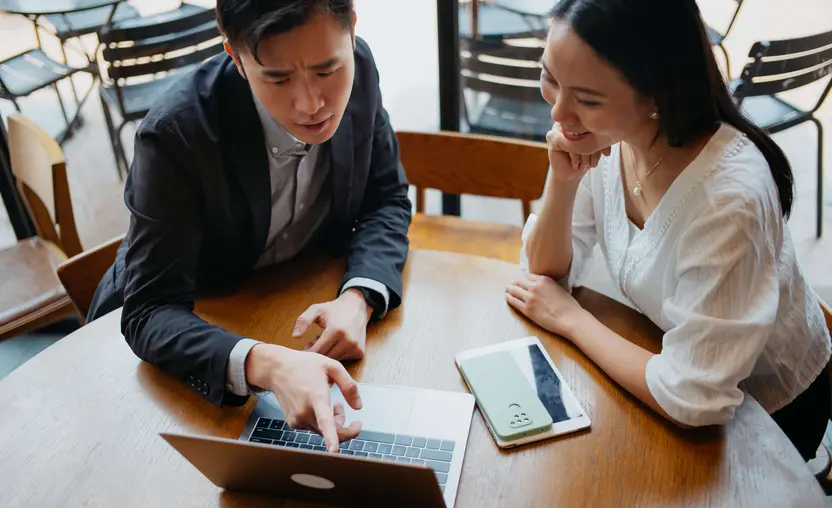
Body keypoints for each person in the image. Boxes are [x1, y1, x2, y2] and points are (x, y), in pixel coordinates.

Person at [505, 0, 831, 460]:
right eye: (551, 79)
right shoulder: (608, 136)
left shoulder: (726, 198)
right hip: (672, 359)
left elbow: (691, 398)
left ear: (656, 96)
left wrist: (572, 320)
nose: (559, 113)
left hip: (768, 409)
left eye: (587, 100)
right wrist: (562, 181)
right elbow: (542, 271)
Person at [87, 0, 412, 453]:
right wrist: (268, 364)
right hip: (180, 350)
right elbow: (149, 311)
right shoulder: (177, 133)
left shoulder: (361, 67)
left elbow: (387, 199)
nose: (312, 103)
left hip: (286, 297)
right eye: (278, 79)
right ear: (236, 59)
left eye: (326, 70)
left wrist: (357, 299)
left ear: (352, 30)